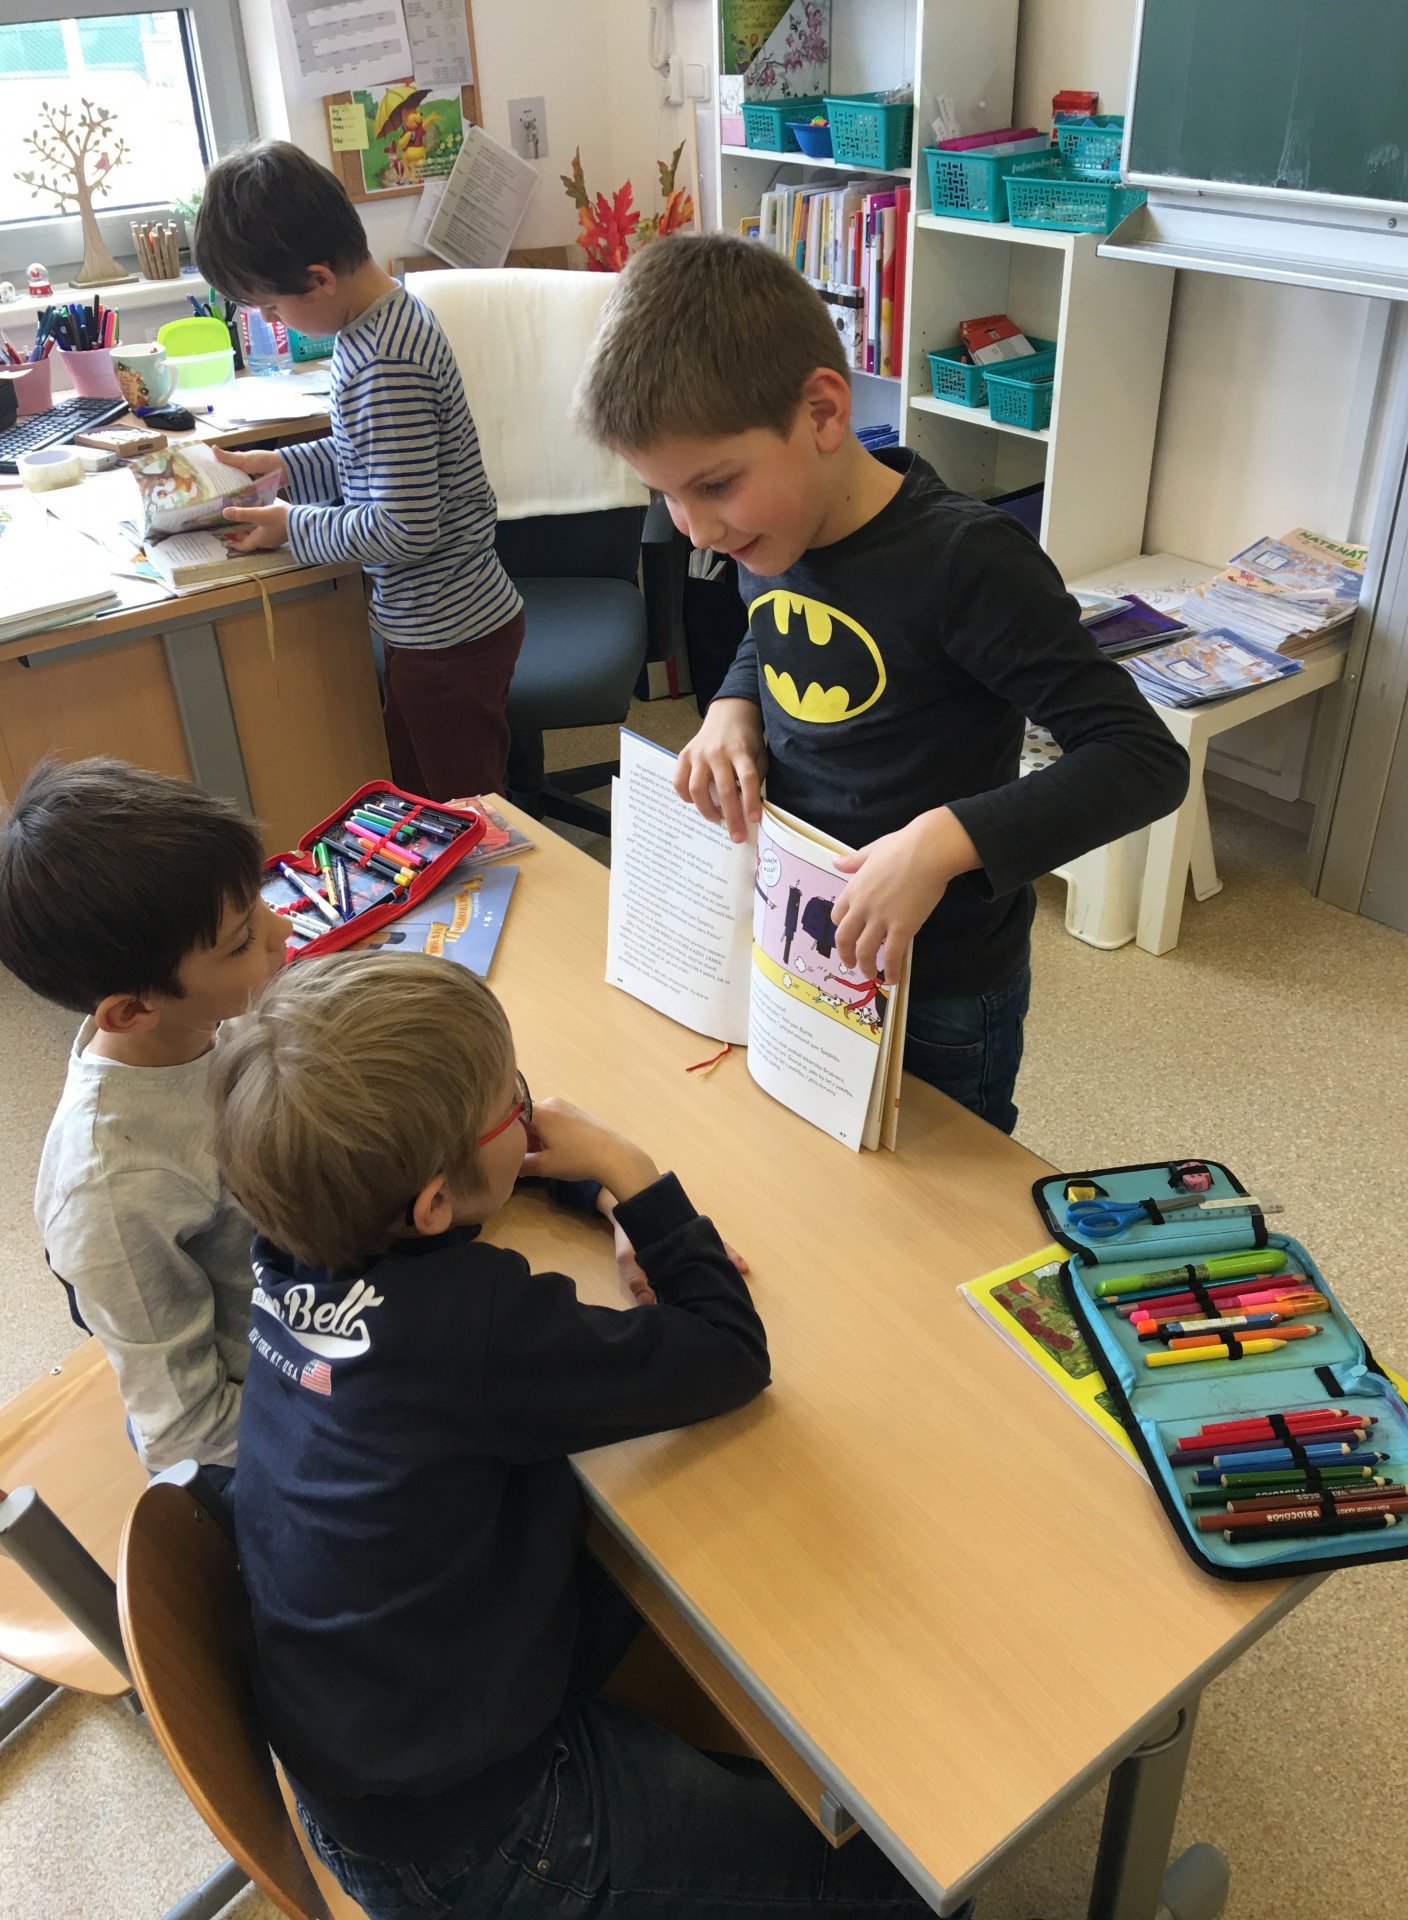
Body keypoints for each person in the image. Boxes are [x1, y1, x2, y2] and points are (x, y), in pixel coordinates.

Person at [212, 950, 943, 1920]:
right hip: (487, 1836)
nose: (531, 1115)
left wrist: (576, 1186)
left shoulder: (298, 1238)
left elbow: (466, 1194)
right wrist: (630, 1174)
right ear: (432, 1202)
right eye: (513, 1105)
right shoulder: (474, 1331)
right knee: (897, 1878)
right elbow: (729, 1352)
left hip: (375, 1746)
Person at [576, 233, 1191, 1134]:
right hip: (802, 937)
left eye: (715, 485)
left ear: (824, 413)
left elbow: (1142, 760)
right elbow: (777, 627)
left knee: (940, 1193)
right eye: (666, 495)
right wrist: (736, 707)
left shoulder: (968, 562)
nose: (697, 531)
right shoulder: (773, 528)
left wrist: (940, 844)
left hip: (936, 983)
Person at [193, 140, 524, 800]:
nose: (271, 321)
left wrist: (292, 526)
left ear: (319, 278)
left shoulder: (384, 364)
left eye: (271, 307)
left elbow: (402, 528)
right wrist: (283, 466)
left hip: (446, 638)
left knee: (469, 815)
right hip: (433, 627)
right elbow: (372, 456)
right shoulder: (381, 322)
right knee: (421, 795)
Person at [0, 759, 289, 1482]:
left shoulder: (210, 1018)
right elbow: (186, 1432)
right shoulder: (110, 1189)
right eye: (240, 942)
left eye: (258, 904)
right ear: (131, 1011)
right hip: (276, 1401)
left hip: (321, 1282)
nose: (281, 928)